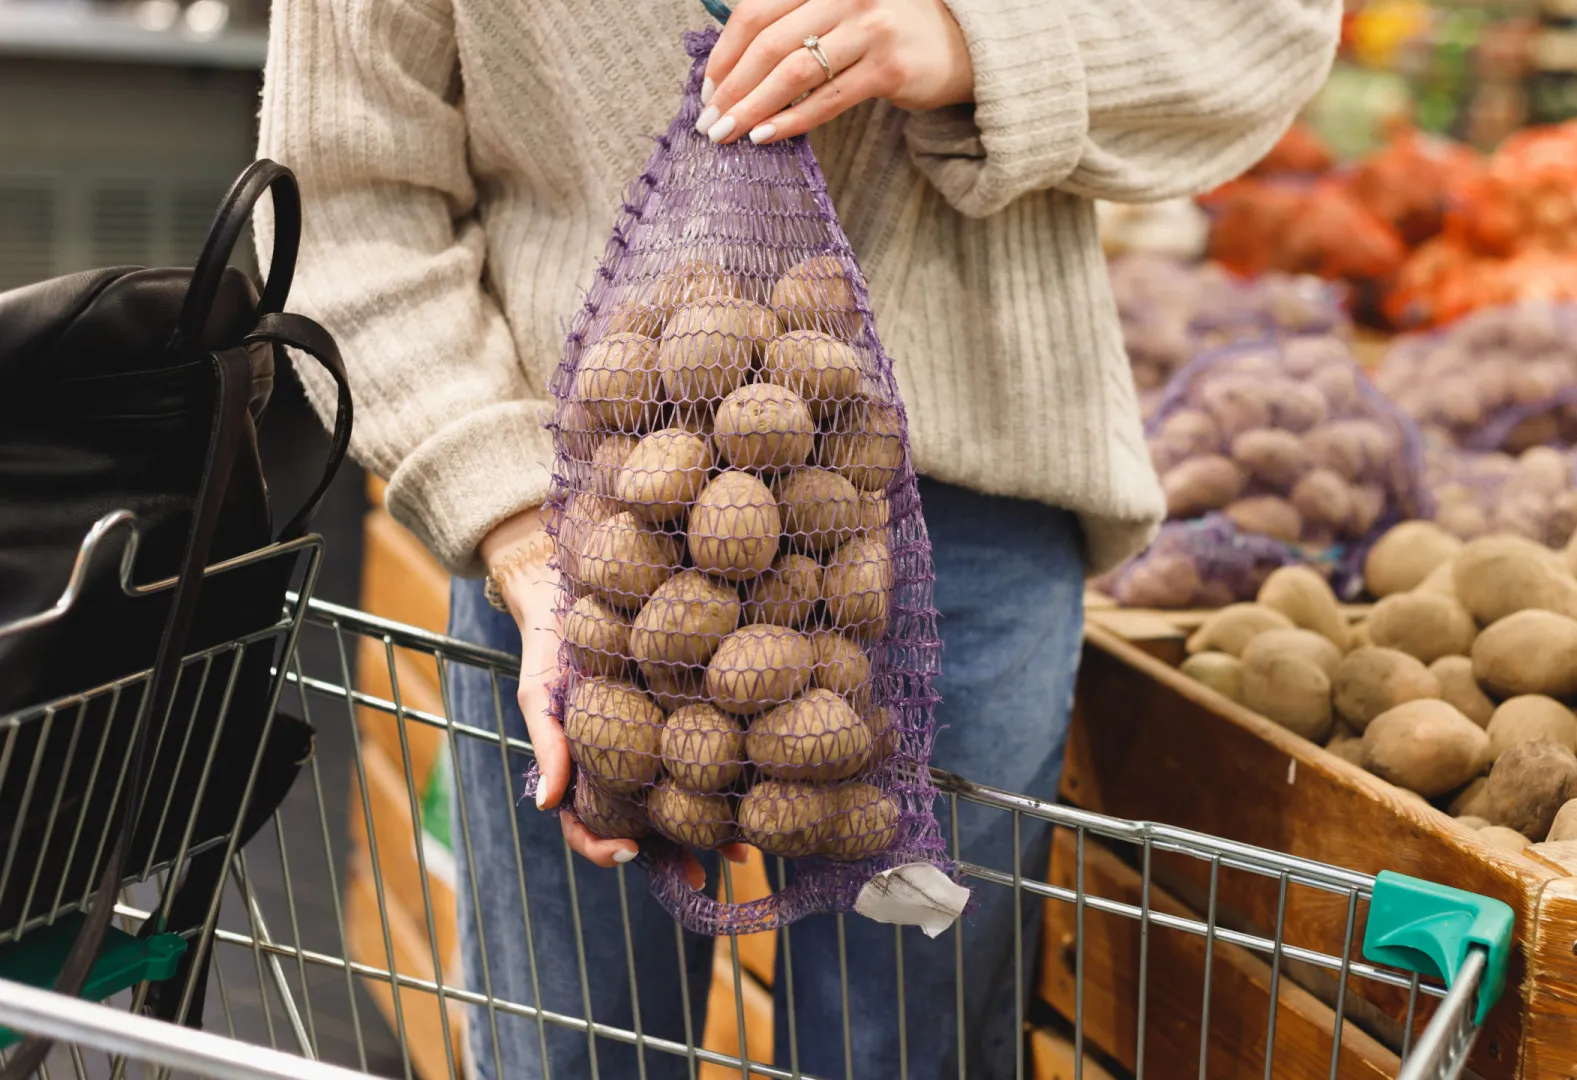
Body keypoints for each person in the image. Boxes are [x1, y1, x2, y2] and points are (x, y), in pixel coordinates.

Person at [259, 0, 1338, 1075]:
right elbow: (346, 200)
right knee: (573, 1050)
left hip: (954, 538)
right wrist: (522, 541)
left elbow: (1262, 28)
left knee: (914, 1055)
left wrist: (984, 43)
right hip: (583, 538)